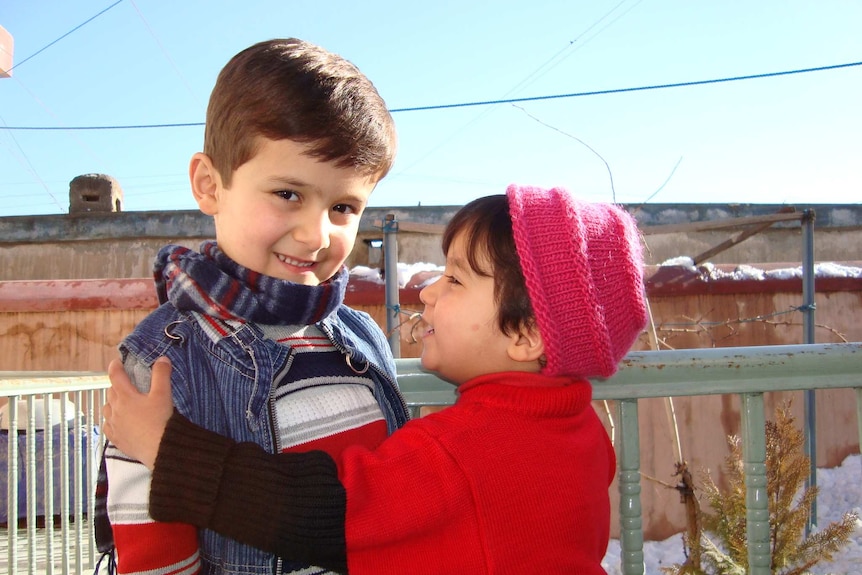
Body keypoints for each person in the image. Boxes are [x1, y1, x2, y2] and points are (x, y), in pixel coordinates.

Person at [103, 184, 649, 574]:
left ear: (526, 336)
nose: (428, 290)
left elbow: (315, 513)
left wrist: (167, 448)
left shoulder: (464, 450)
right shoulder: (582, 434)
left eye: (456, 279)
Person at [96, 38, 409, 575]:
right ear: (209, 185)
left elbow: (392, 504)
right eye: (288, 194)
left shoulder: (363, 335)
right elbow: (156, 554)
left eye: (342, 206)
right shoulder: (166, 364)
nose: (315, 235)